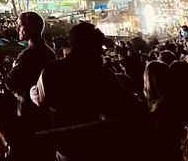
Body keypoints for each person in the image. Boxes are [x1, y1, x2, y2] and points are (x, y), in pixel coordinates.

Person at [34, 22, 139, 161]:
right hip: (93, 146)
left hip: (65, 147)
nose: (101, 52)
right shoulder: (101, 74)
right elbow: (124, 105)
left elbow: (41, 100)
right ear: (91, 47)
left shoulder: (51, 71)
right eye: (98, 47)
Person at [6, 12, 55, 124]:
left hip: (28, 112)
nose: (17, 28)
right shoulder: (50, 52)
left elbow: (10, 82)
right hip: (45, 113)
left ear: (31, 28)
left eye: (20, 25)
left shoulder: (27, 55)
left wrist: (14, 67)